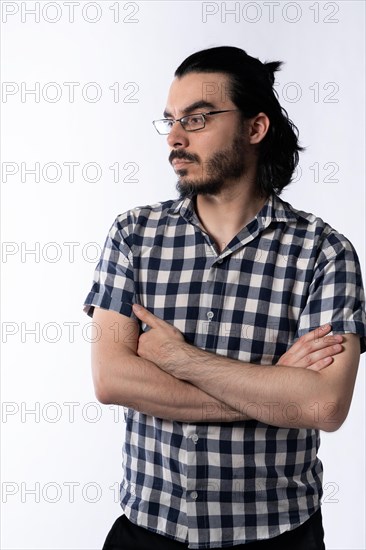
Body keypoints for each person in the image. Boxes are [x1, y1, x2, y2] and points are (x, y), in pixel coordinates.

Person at [83, 46, 366, 549]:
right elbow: (111, 378)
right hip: (147, 533)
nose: (174, 138)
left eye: (197, 119)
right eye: (170, 120)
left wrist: (178, 359)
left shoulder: (325, 253)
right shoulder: (132, 235)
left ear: (255, 128)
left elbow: (323, 404)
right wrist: (276, 390)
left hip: (278, 537)